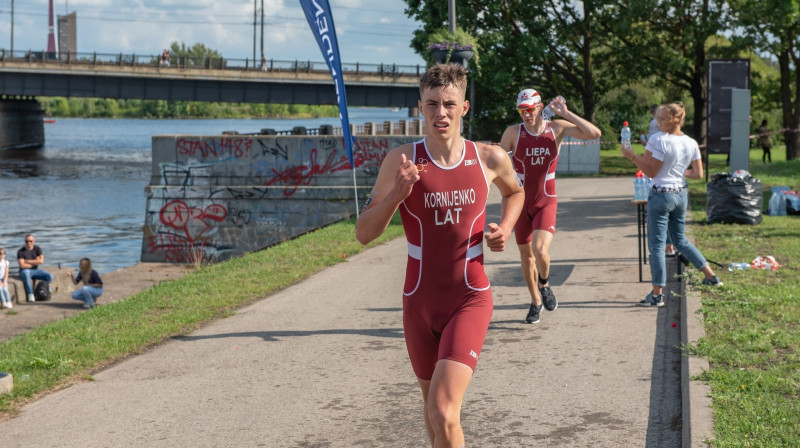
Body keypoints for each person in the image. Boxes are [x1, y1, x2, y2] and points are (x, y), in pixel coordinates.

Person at [355, 63, 524, 447]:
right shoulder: (401, 162)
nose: (440, 113)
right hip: (418, 304)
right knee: (433, 419)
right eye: (432, 104)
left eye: (449, 103)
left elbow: (515, 192)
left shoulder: (489, 158)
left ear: (464, 107)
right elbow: (364, 233)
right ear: (420, 106)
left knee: (445, 412)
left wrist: (506, 229)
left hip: (469, 298)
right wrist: (396, 195)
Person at [499, 89, 601, 324]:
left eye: (531, 109)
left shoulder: (556, 127)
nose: (526, 114)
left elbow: (594, 133)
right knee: (526, 257)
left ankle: (544, 284)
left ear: (540, 106)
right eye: (522, 110)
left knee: (540, 250)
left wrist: (566, 113)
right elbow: (498, 160)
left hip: (546, 199)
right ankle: (535, 301)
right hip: (521, 201)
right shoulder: (513, 132)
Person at [620, 102, 722, 307]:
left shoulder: (659, 140)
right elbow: (698, 173)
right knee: (681, 241)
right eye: (658, 118)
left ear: (676, 119)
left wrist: (631, 156)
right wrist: (676, 172)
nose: (658, 122)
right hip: (680, 194)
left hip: (661, 195)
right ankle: (711, 277)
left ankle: (657, 294)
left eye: (663, 119)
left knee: (657, 246)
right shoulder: (691, 142)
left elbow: (650, 172)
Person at [17, 234, 54, 303]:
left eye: (30, 241)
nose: (28, 243)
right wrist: (35, 261)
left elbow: (41, 261)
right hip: (24, 271)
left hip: (35, 270)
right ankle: (30, 294)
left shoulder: (37, 249)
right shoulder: (21, 251)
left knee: (50, 276)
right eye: (27, 241)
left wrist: (27, 261)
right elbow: (22, 265)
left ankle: (42, 288)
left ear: (34, 241)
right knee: (26, 274)